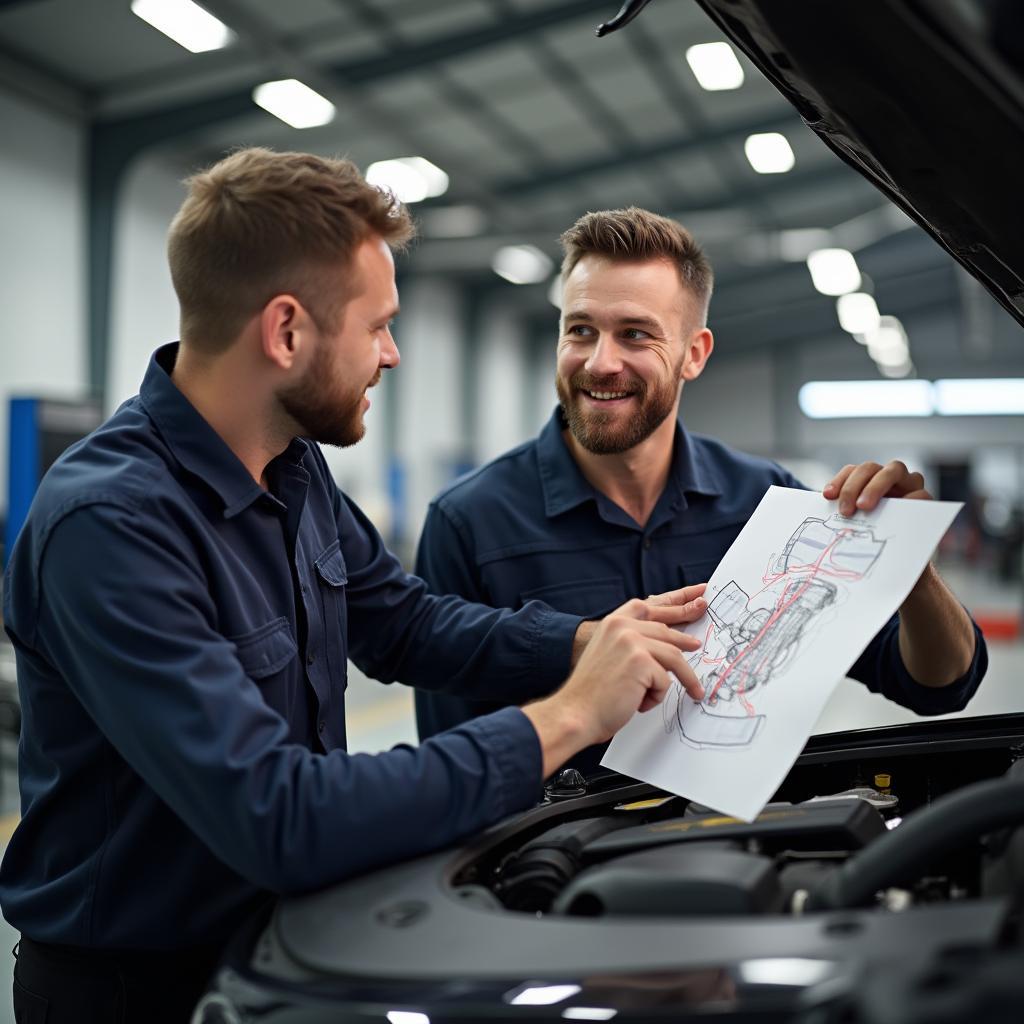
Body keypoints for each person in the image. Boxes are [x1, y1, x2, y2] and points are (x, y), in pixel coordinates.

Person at [0, 155, 712, 1022]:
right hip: (135, 992)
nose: (393, 353)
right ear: (287, 333)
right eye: (377, 325)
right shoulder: (110, 527)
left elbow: (404, 622)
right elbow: (280, 818)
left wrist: (586, 641)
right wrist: (569, 715)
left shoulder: (290, 468)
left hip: (280, 950)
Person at [414, 207, 986, 759]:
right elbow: (454, 759)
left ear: (694, 354)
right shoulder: (469, 523)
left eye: (635, 334)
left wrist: (912, 571)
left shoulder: (769, 505)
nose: (599, 363)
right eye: (580, 330)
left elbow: (936, 688)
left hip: (733, 849)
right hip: (553, 855)